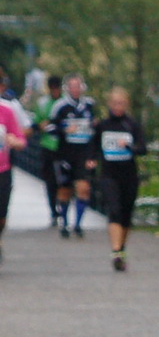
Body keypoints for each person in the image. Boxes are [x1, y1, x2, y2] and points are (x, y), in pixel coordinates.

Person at [94, 87, 145, 271]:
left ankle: (121, 248)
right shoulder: (102, 125)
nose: (118, 107)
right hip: (109, 175)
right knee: (114, 210)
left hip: (129, 175)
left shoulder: (132, 125)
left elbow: (142, 148)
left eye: (121, 103)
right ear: (109, 104)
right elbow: (93, 147)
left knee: (125, 214)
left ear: (127, 105)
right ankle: (116, 251)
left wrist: (129, 146)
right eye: (115, 103)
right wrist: (90, 161)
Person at [49, 74, 97, 238]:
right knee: (65, 190)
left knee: (84, 188)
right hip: (65, 154)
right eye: (72, 86)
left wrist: (93, 156)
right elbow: (50, 128)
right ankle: (64, 222)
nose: (75, 89)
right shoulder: (60, 106)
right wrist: (64, 130)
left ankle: (78, 224)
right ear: (67, 88)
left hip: (83, 154)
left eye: (78, 86)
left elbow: (96, 129)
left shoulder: (89, 105)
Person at [0, 87, 28, 265]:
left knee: (1, 216)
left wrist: (15, 141)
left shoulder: (6, 111)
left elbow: (21, 139)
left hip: (2, 170)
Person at [33, 76, 61, 231]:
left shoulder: (64, 103)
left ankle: (62, 207)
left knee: (64, 180)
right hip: (48, 145)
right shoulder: (43, 103)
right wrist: (40, 125)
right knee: (50, 180)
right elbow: (35, 124)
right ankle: (53, 211)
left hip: (63, 147)